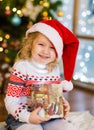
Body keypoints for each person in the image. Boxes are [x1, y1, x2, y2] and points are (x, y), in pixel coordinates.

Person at [4, 19, 79, 130]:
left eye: (52, 47)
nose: (45, 51)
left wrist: (63, 104)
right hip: (22, 117)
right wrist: (28, 117)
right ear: (30, 44)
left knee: (68, 128)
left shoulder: (54, 69)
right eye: (41, 44)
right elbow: (10, 101)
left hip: (49, 115)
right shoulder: (21, 67)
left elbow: (54, 96)